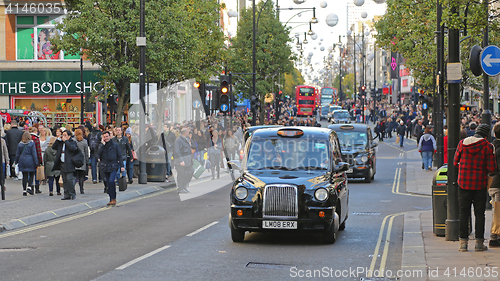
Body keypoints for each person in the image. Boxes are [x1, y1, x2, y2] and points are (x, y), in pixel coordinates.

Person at [454, 124, 496, 252]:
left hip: (463, 183)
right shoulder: (487, 147)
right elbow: (492, 169)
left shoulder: (462, 143)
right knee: (479, 214)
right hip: (480, 184)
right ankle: (479, 243)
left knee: (463, 213)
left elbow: (455, 162)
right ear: (486, 135)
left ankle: (463, 243)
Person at [98, 131, 124, 206]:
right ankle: (111, 199)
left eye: (107, 136)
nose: (106, 138)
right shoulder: (102, 146)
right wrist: (102, 145)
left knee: (111, 181)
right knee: (108, 183)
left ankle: (114, 198)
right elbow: (98, 154)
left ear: (110, 136)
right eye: (104, 137)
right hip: (105, 166)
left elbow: (119, 156)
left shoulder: (115, 145)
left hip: (113, 166)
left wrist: (122, 166)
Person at [52, 129, 79, 200]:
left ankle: (72, 193)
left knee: (69, 179)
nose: (63, 137)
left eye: (65, 135)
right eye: (62, 135)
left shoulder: (72, 142)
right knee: (64, 180)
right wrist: (58, 139)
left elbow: (73, 148)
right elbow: (53, 147)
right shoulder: (60, 142)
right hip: (62, 163)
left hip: (69, 163)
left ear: (69, 136)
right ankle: (66, 194)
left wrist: (66, 141)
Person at [15, 131, 38, 196]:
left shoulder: (20, 144)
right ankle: (29, 186)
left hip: (22, 160)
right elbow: (34, 153)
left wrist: (16, 161)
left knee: (24, 176)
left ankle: (24, 190)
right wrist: (36, 162)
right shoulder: (31, 143)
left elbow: (17, 154)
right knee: (31, 174)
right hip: (30, 160)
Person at [174, 127, 194, 193]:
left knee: (191, 172)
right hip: (181, 160)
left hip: (188, 160)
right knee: (181, 174)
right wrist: (181, 160)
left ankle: (184, 185)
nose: (189, 133)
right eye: (188, 132)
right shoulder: (178, 140)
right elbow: (177, 151)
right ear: (185, 133)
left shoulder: (187, 139)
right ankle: (180, 188)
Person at [489, 122, 500, 247]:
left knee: (496, 211)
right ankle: (494, 237)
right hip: (498, 184)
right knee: (497, 211)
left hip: (492, 183)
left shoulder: (491, 146)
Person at [74, 129, 89, 194]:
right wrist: (87, 161)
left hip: (74, 160)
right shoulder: (84, 141)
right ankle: (81, 189)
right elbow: (86, 152)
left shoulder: (73, 141)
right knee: (81, 177)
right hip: (82, 160)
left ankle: (73, 189)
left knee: (75, 176)